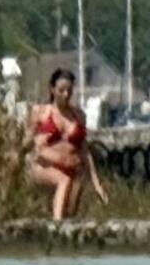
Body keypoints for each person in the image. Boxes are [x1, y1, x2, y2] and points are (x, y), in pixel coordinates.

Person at [27, 70, 107, 222]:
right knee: (63, 180)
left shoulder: (79, 115)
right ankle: (57, 227)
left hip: (73, 170)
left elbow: (84, 150)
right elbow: (28, 141)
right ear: (52, 89)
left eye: (69, 90)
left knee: (70, 211)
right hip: (44, 168)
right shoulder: (41, 112)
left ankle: (63, 230)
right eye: (61, 90)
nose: (66, 94)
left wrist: (97, 183)